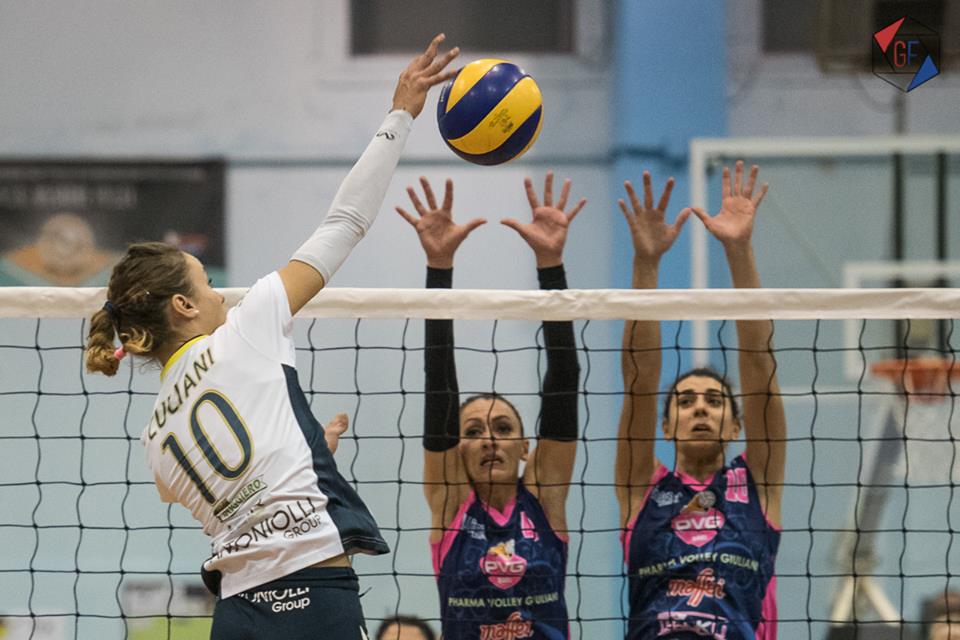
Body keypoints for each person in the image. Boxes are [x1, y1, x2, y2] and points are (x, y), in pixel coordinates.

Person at [83, 34, 460, 640]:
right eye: (208, 285)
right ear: (183, 306)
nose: (221, 296)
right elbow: (346, 221)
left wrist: (302, 449)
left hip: (237, 614)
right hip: (314, 598)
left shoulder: (154, 440)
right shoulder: (248, 327)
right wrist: (400, 114)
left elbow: (227, 486)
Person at [396, 173, 585, 640]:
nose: (488, 440)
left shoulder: (544, 499)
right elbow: (439, 384)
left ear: (526, 447)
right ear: (456, 447)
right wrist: (439, 269)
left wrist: (551, 266)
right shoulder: (451, 504)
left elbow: (564, 381)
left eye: (502, 428)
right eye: (474, 431)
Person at [615, 162, 784, 639]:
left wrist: (739, 250)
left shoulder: (758, 482)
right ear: (666, 426)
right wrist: (646, 264)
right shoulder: (641, 487)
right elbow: (639, 379)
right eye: (686, 401)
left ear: (736, 425)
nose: (701, 408)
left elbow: (759, 364)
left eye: (714, 401)